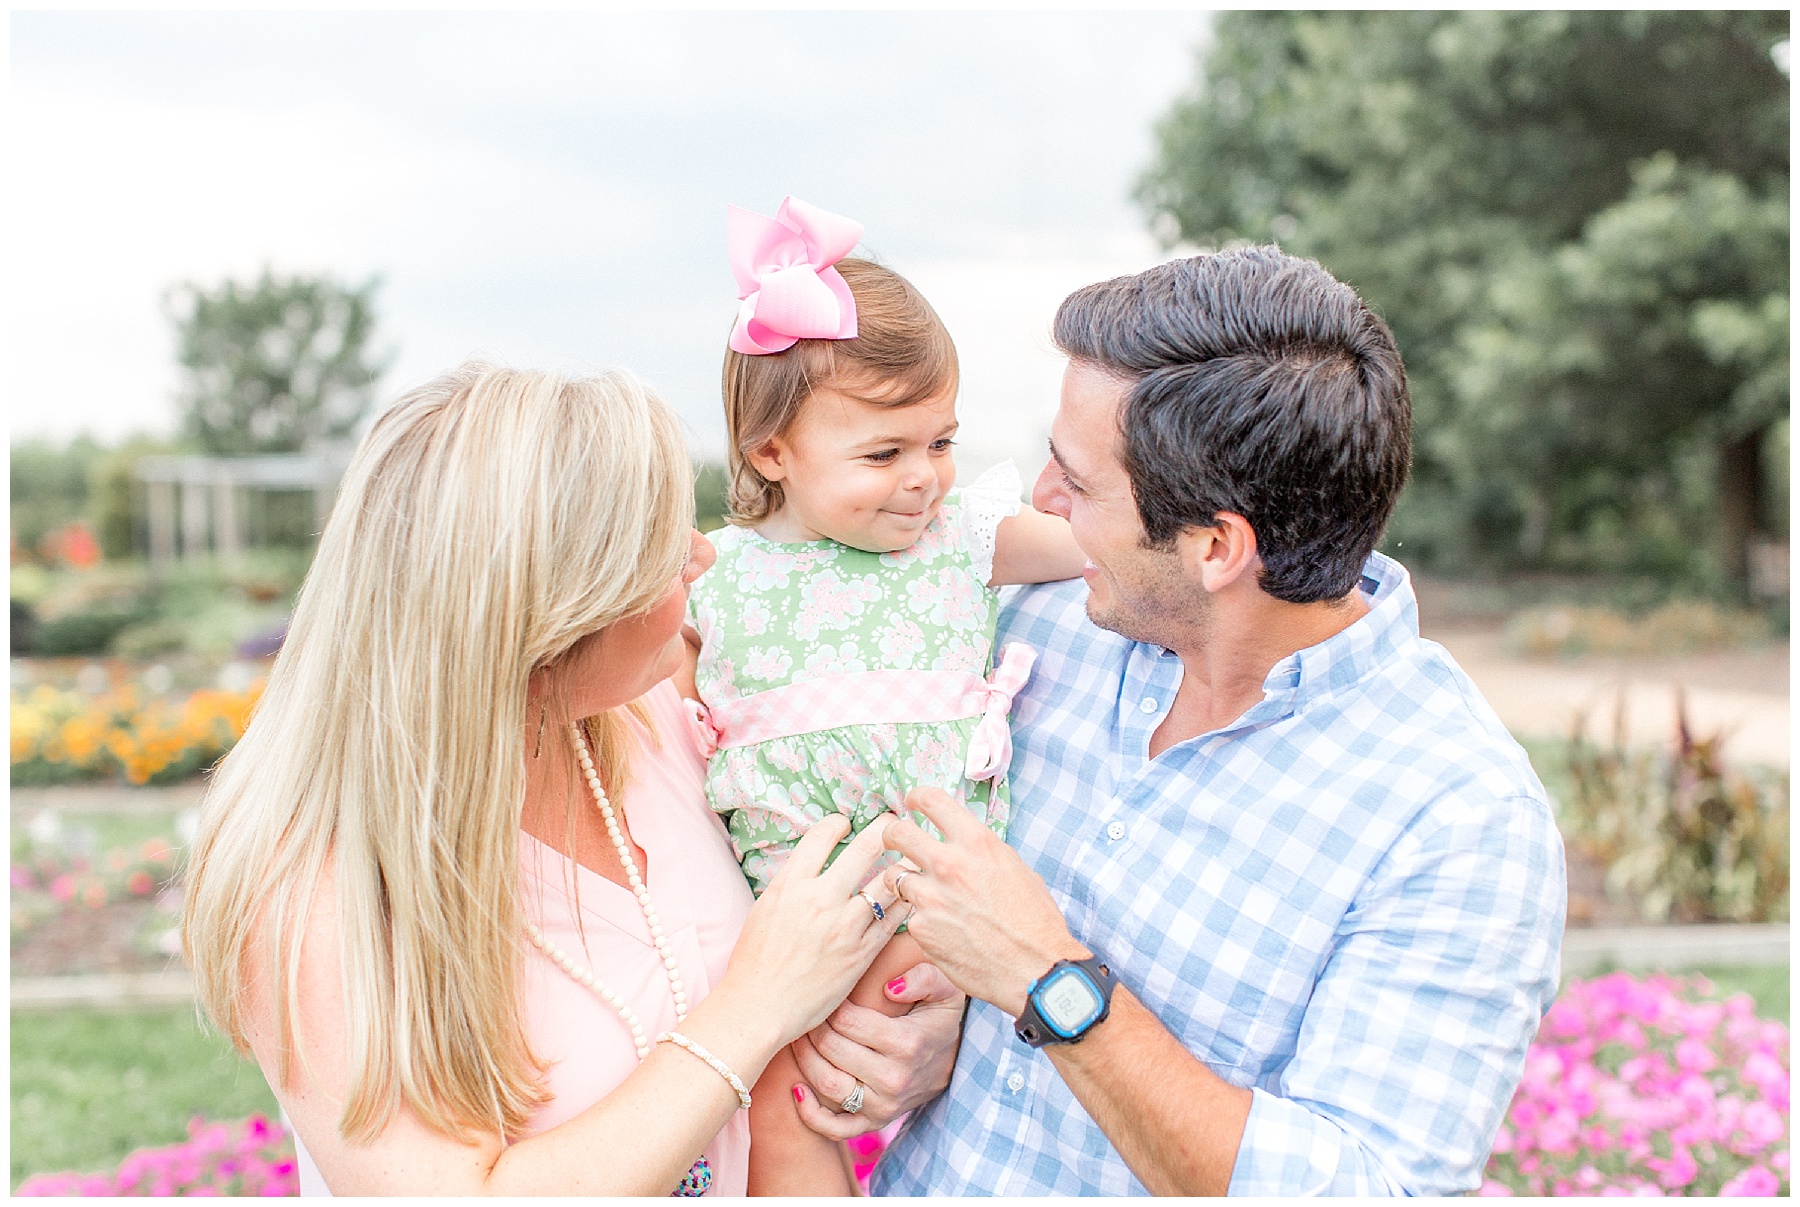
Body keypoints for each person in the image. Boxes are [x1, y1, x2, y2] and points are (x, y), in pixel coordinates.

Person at [870, 247, 1567, 1196]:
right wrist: (938, 1025)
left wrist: (1046, 979)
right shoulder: (1039, 622)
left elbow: (1370, 1188)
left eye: (1080, 481)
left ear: (1215, 547)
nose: (1042, 498)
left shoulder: (1458, 818)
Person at [181, 361, 945, 1195]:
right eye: (663, 548)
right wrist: (756, 1007)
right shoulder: (315, 885)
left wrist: (927, 1030)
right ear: (554, 614)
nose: (703, 556)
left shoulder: (657, 716)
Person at [681, 194, 1085, 1189]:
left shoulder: (960, 542)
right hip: (787, 911)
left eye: (939, 442)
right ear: (771, 452)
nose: (923, 479)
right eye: (883, 453)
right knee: (788, 1110)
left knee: (863, 1089)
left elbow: (1101, 549)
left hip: (931, 894)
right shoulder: (717, 578)